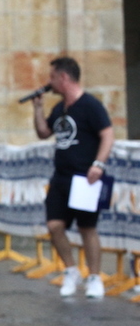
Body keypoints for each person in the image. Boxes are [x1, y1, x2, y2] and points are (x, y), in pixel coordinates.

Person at [32, 56, 114, 299]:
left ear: (64, 77)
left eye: (52, 77)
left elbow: (107, 135)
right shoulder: (60, 108)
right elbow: (43, 132)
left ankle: (95, 277)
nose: (50, 82)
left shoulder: (90, 105)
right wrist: (38, 108)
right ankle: (70, 270)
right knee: (54, 225)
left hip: (85, 177)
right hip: (61, 177)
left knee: (87, 227)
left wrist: (98, 164)